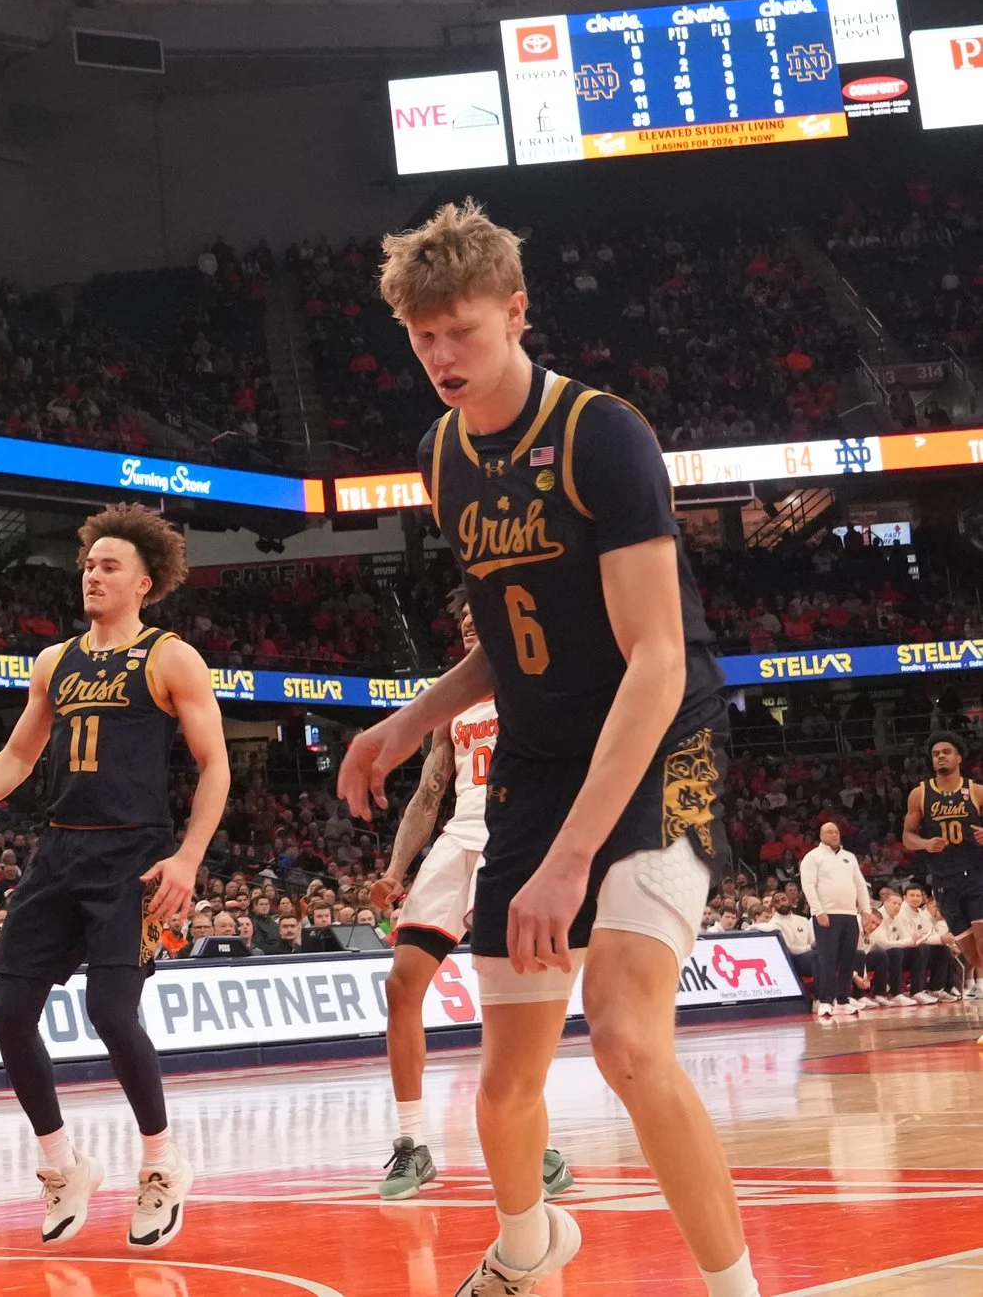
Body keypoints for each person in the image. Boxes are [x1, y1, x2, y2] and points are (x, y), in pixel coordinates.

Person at [339, 203, 753, 1297]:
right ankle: (527, 1251)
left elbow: (656, 658)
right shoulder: (442, 452)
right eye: (420, 335)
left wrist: (571, 859)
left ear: (516, 313)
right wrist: (407, 719)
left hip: (659, 738)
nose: (439, 355)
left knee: (622, 1034)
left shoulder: (599, 434)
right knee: (505, 1078)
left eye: (460, 330)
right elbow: (508, 648)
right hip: (538, 755)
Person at [0, 503, 230, 1252]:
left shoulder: (170, 657)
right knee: (7, 1015)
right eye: (88, 564)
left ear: (144, 582)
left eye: (108, 565)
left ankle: (161, 1164)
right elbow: (21, 754)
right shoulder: (55, 661)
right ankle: (64, 1163)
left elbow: (214, 764)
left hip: (135, 857)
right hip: (60, 851)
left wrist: (188, 857)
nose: (92, 573)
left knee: (113, 1012)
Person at [370, 596, 571, 1203]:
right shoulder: (451, 701)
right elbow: (430, 791)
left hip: (514, 840)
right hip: (459, 838)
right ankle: (412, 1144)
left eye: (475, 616)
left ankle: (538, 1145)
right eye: (458, 620)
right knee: (402, 986)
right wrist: (396, 868)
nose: (465, 624)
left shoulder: (539, 684)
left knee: (510, 1001)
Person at [903, 734, 983, 1006]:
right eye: (936, 753)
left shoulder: (976, 790)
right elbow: (907, 837)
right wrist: (925, 843)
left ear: (959, 757)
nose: (940, 756)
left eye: (946, 751)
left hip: (977, 874)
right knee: (973, 956)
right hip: (944, 881)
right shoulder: (920, 794)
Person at [800, 822, 871, 1019]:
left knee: (849, 958)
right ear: (820, 835)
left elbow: (859, 884)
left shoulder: (849, 857)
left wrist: (865, 910)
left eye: (836, 832)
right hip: (826, 915)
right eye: (829, 832)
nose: (834, 834)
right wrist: (818, 910)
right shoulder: (813, 857)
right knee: (827, 960)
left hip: (849, 915)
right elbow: (808, 885)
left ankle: (843, 1000)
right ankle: (825, 1001)